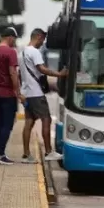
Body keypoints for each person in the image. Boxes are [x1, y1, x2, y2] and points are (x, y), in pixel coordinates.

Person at [19, 28, 67, 163]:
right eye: (43, 40)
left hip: (27, 92)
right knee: (46, 120)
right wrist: (60, 74)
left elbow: (20, 74)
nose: (42, 43)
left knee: (29, 122)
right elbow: (42, 69)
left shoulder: (22, 52)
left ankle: (26, 155)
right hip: (36, 93)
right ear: (38, 37)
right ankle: (48, 152)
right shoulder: (34, 52)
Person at [0, 27, 22, 165]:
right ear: (10, 37)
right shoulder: (10, 52)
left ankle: (0, 152)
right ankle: (0, 155)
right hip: (7, 94)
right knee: (7, 124)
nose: (14, 42)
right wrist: (17, 92)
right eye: (14, 39)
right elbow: (13, 72)